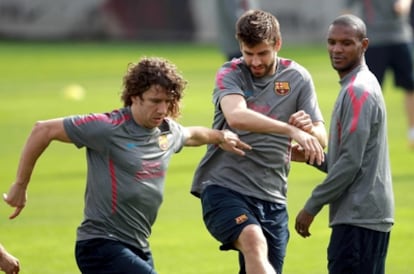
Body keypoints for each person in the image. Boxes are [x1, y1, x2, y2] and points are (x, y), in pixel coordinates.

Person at [2, 56, 251, 274]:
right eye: (154, 100)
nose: (162, 109)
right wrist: (20, 186)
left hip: (138, 246)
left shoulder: (167, 131)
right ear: (134, 97)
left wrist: (220, 136)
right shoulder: (107, 127)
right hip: (100, 245)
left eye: (167, 101)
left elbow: (192, 134)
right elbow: (42, 130)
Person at [191, 9, 327, 274]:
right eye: (247, 53)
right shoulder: (230, 72)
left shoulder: (298, 78)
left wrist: (309, 130)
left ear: (277, 44)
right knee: (253, 240)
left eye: (262, 53)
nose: (254, 61)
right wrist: (291, 131)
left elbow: (320, 137)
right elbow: (237, 116)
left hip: (273, 197)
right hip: (223, 188)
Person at [293, 14, 394, 274]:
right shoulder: (358, 85)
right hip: (365, 217)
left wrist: (312, 205)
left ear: (364, 45)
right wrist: (313, 157)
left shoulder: (357, 90)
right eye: (332, 42)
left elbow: (350, 163)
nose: (337, 49)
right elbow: (352, 160)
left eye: (346, 43)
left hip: (360, 219)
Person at [344, 0, 414, 148]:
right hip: (374, 40)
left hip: (401, 36)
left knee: (410, 86)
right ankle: (370, 136)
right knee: (370, 91)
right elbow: (347, 9)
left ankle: (412, 132)